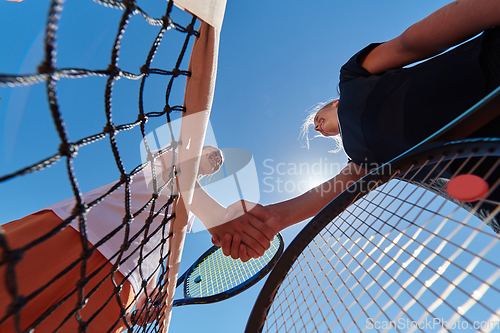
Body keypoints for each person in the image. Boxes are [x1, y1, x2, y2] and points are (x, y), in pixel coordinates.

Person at [213, 0, 500, 261]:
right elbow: (333, 189)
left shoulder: (352, 79)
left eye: (318, 118)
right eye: (317, 130)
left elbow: (411, 44)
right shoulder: (361, 159)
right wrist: (273, 218)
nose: (318, 127)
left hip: (488, 71)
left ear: (334, 102)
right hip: (490, 176)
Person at [0, 145, 273, 332]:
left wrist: (145, 297)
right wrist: (219, 218)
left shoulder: (189, 216)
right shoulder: (169, 157)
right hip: (73, 235)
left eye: (219, 162)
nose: (217, 159)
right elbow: (175, 171)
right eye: (213, 153)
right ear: (198, 148)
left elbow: (158, 250)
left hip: (118, 289)